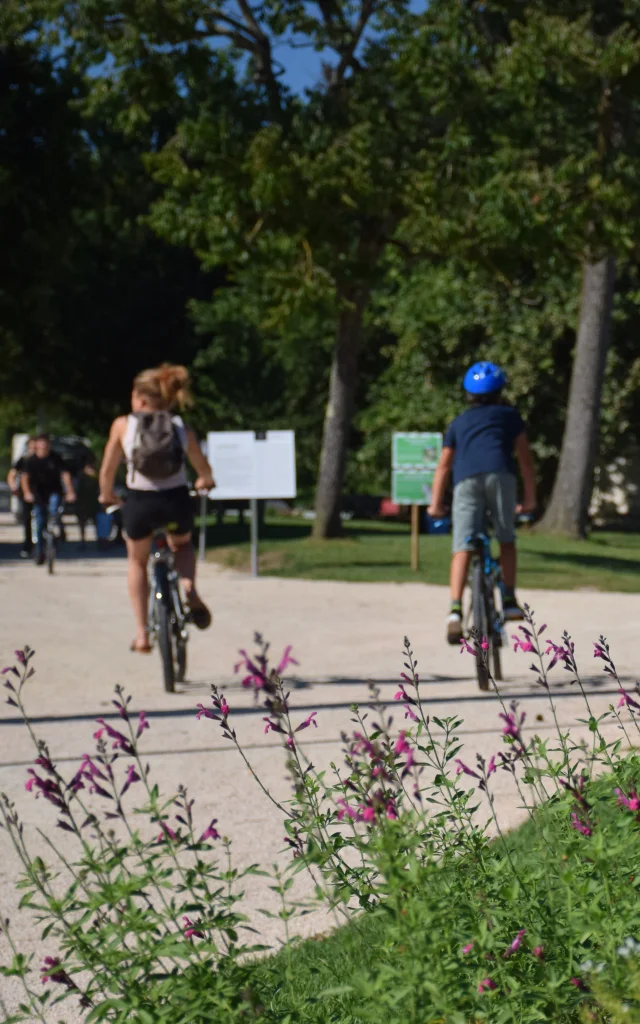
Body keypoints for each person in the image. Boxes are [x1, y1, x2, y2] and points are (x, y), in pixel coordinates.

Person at [98, 363, 215, 653]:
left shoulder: (123, 424)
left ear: (139, 399)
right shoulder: (180, 427)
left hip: (139, 503)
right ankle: (189, 588)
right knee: (182, 547)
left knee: (137, 562)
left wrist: (106, 495)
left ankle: (142, 635)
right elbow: (202, 467)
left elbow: (109, 467)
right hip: (175, 500)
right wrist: (205, 480)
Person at [427, 361, 537, 645]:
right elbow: (525, 461)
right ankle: (510, 600)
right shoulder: (510, 417)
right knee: (506, 538)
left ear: (468, 394)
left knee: (463, 546)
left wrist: (436, 504)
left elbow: (443, 467)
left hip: (466, 481)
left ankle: (454, 611)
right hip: (501, 476)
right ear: (500, 391)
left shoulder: (459, 422)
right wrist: (529, 499)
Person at [21, 435, 77, 566]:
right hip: (38, 494)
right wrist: (27, 493)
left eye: (46, 444)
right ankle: (40, 552)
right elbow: (24, 478)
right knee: (40, 523)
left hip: (54, 491)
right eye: (41, 444)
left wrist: (70, 491)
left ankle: (54, 529)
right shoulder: (30, 460)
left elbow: (65, 474)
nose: (44, 447)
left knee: (54, 511)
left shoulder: (55, 458)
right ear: (37, 446)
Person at [7, 436, 37, 557]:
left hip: (41, 493)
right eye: (32, 446)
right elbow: (12, 475)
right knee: (27, 519)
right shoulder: (23, 460)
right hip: (25, 494)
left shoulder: (46, 458)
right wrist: (13, 487)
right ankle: (28, 545)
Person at [76, 458, 113, 550]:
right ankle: (83, 541)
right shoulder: (82, 477)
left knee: (98, 523)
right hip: (84, 504)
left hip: (94, 504)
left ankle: (100, 540)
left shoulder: (97, 476)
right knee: (83, 523)